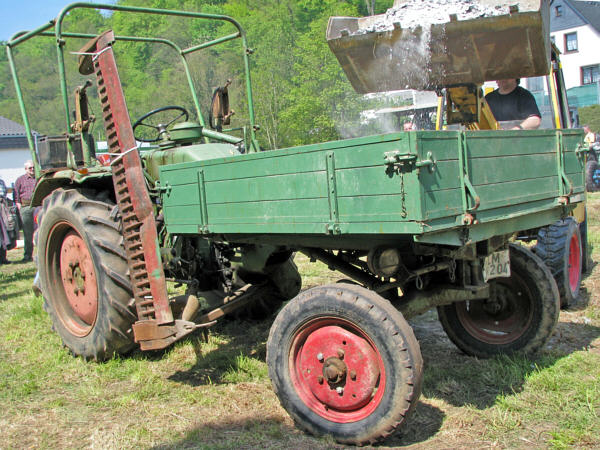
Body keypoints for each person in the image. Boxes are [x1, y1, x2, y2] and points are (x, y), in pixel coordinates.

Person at [14, 160, 37, 263]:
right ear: (25, 169)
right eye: (30, 168)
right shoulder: (20, 180)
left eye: (33, 167)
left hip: (38, 207)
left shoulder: (39, 178)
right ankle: (27, 255)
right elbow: (16, 195)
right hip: (25, 208)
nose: (32, 169)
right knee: (28, 234)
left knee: (40, 231)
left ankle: (41, 255)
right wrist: (20, 207)